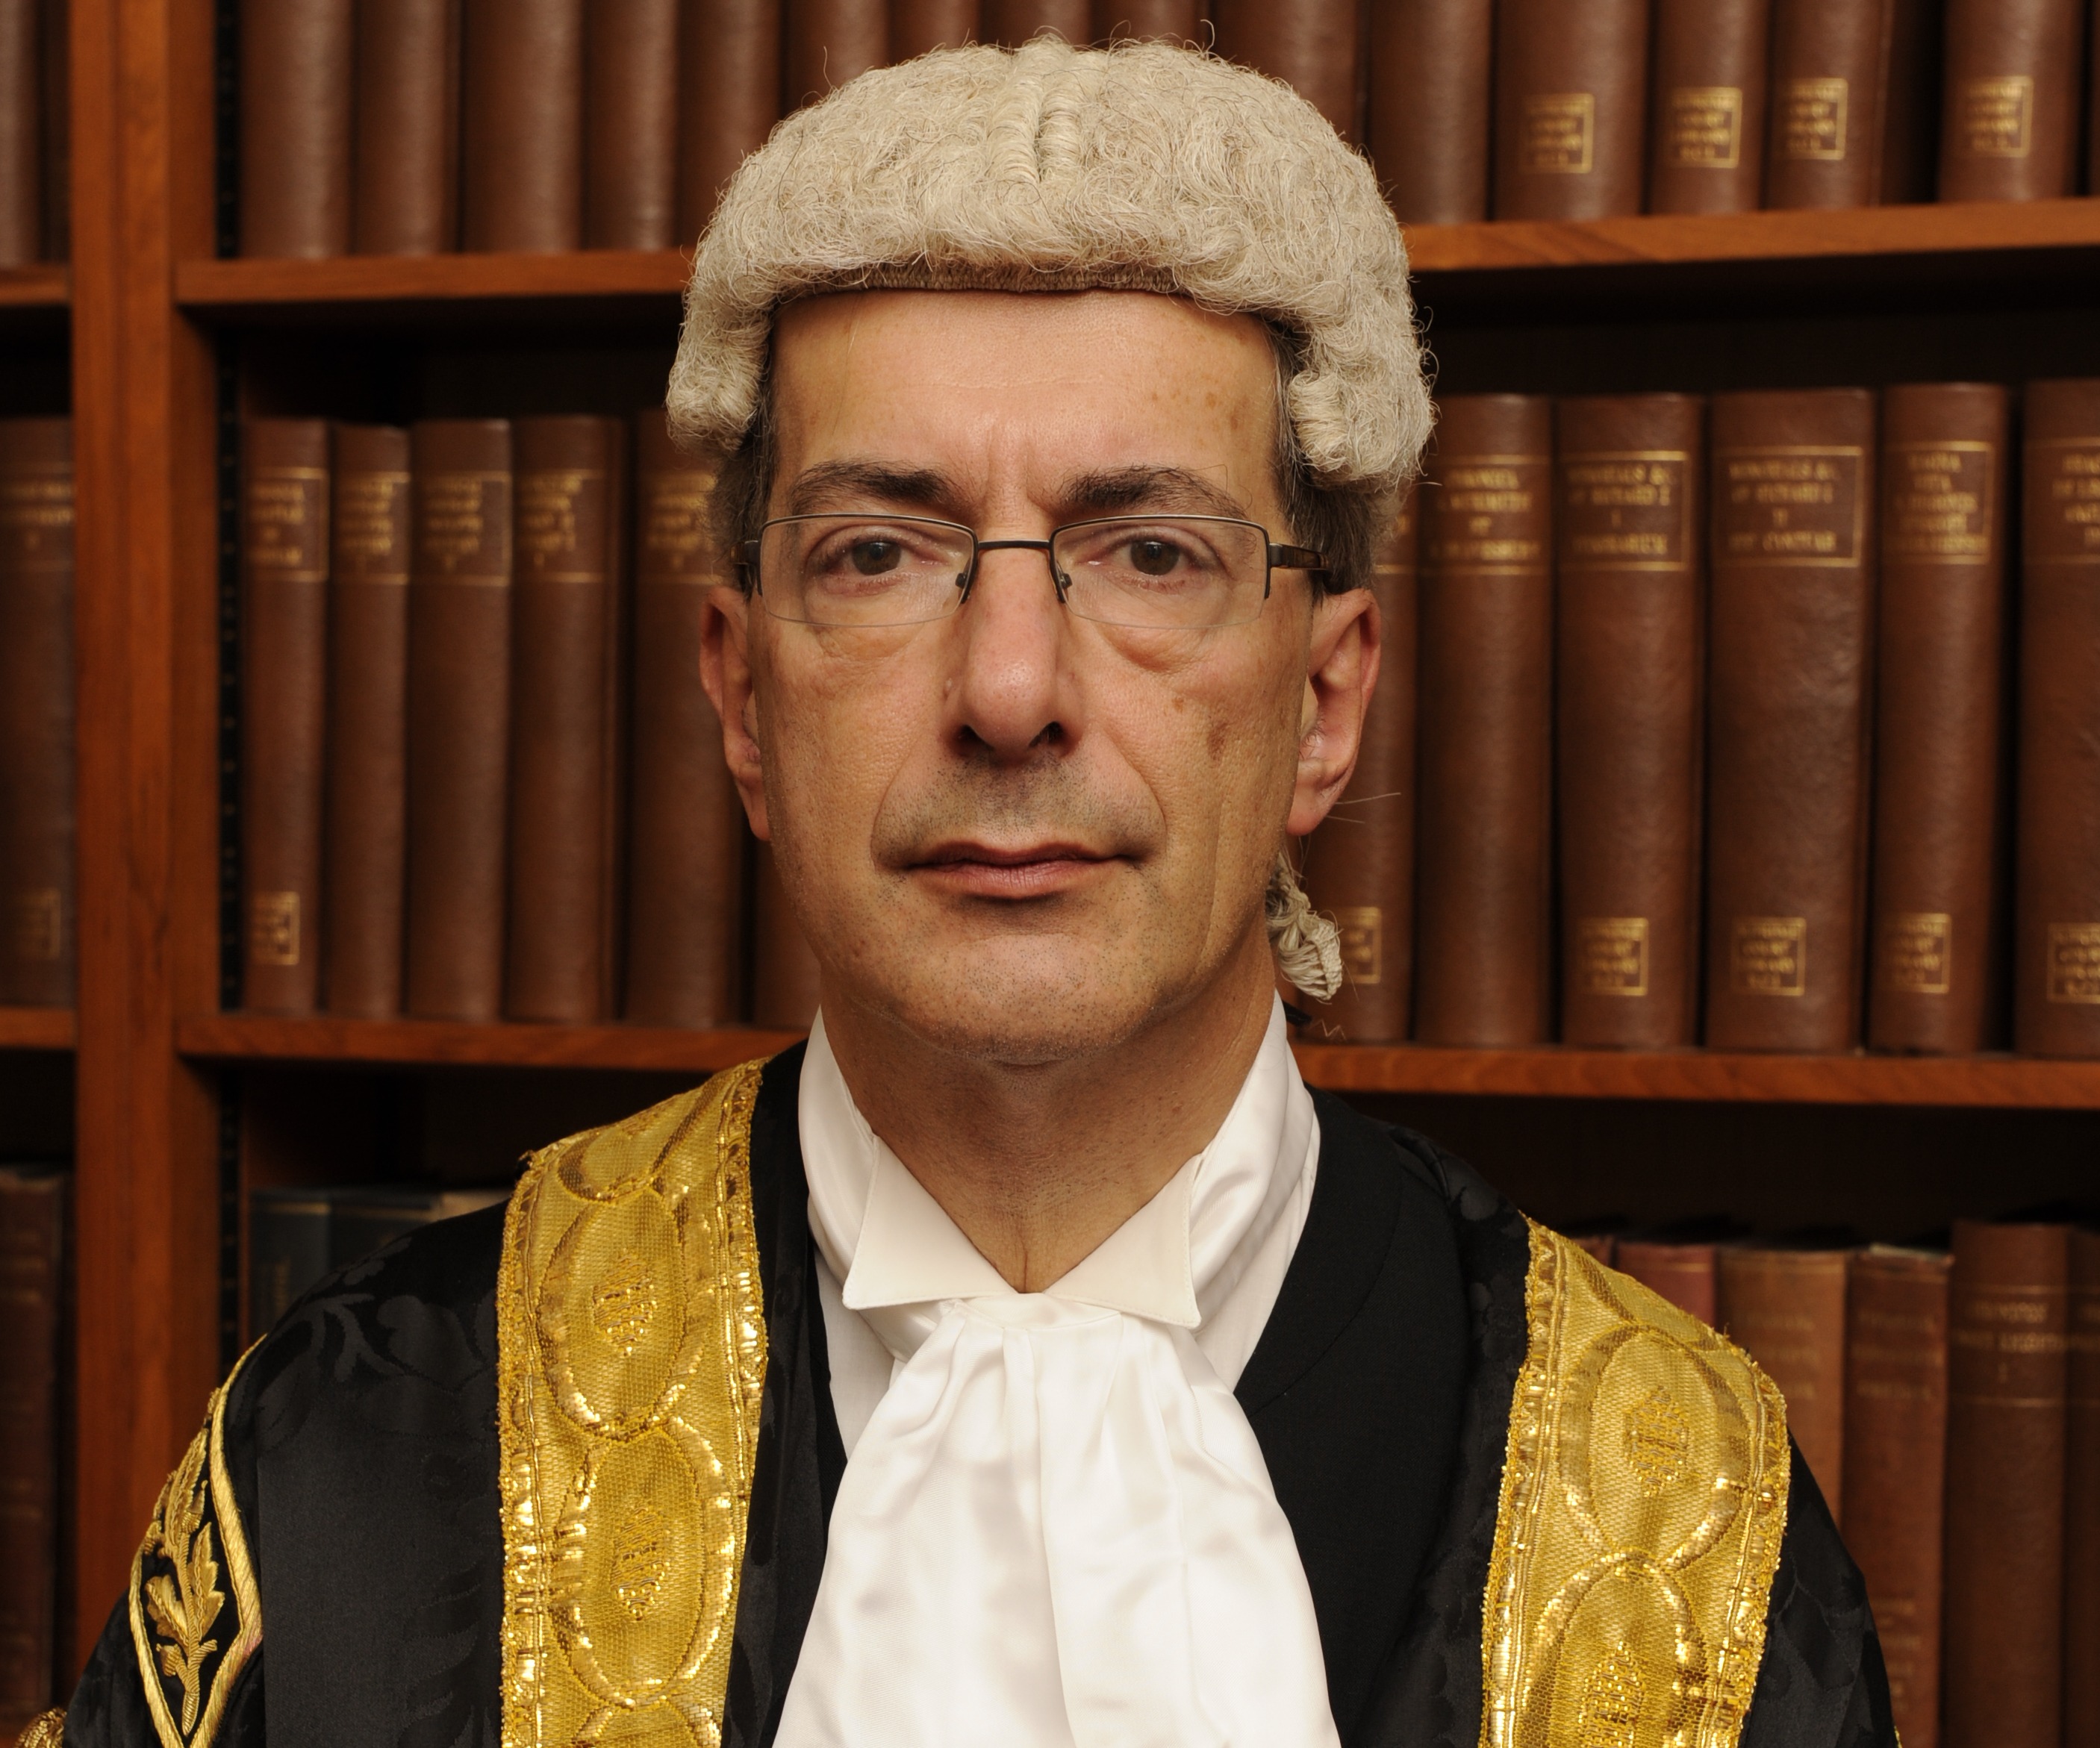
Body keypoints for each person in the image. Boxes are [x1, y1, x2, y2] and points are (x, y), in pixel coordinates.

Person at [48, 36, 1891, 1748]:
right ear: (743, 694)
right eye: (881, 550)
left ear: (1325, 704)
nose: (1010, 687)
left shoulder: (1689, 1525)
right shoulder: (366, 1448)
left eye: (1147, 549)